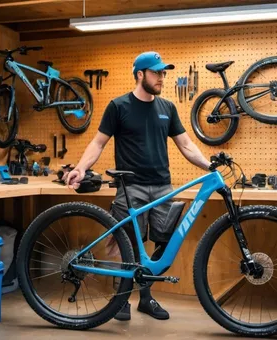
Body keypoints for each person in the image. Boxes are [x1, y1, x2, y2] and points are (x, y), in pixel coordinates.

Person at [64, 51, 211, 321]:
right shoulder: (118, 106)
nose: (162, 78)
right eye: (157, 73)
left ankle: (146, 298)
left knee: (163, 245)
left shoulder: (167, 108)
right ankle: (120, 302)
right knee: (127, 246)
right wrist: (81, 169)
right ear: (140, 74)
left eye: (164, 73)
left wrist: (209, 166)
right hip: (131, 188)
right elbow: (98, 142)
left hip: (163, 187)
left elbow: (186, 144)